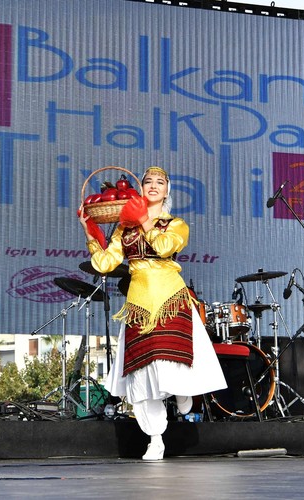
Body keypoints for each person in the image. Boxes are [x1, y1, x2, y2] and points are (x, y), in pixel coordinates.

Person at [78, 166, 226, 461]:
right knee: (143, 374)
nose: (154, 185)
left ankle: (183, 391)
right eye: (148, 182)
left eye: (160, 182)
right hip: (138, 303)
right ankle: (156, 437)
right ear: (140, 188)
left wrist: (144, 218)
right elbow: (106, 263)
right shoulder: (124, 229)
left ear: (167, 190)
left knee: (173, 361)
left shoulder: (176, 224)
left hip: (170, 296)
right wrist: (90, 231)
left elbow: (164, 246)